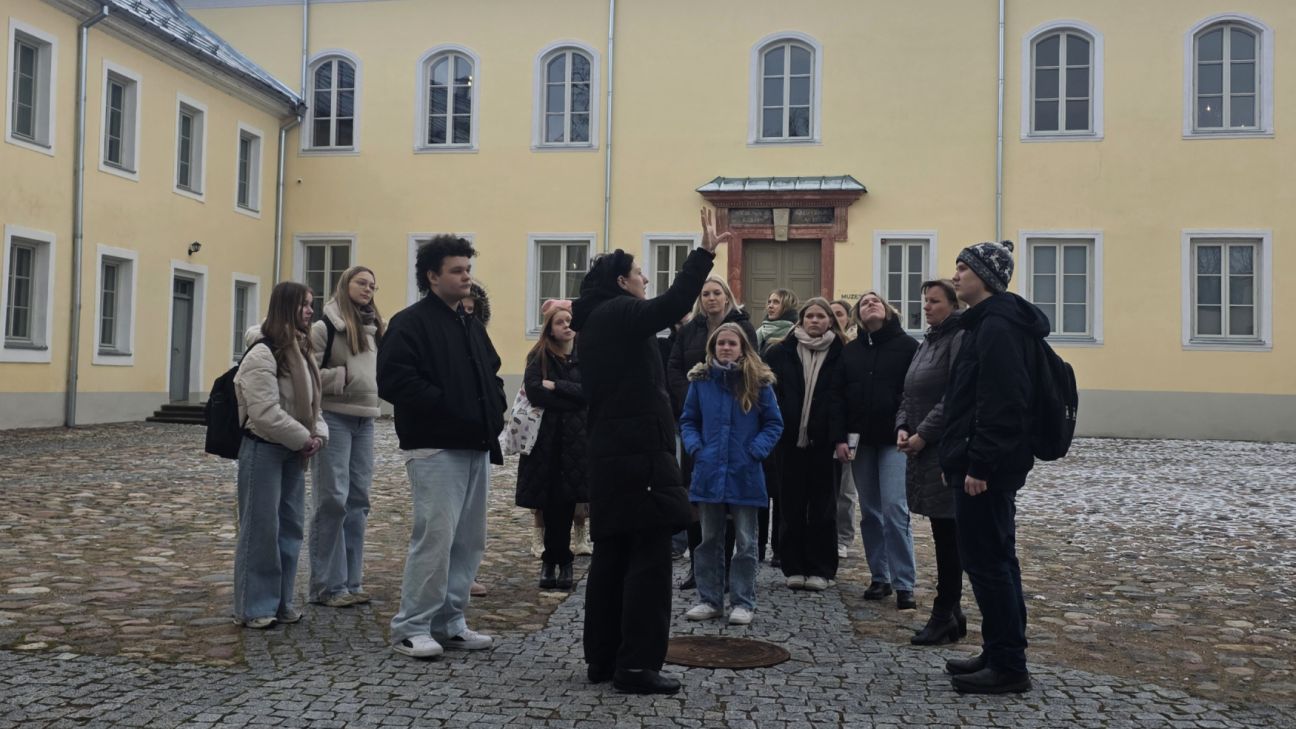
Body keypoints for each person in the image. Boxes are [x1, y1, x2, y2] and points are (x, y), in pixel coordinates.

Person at [571, 208, 729, 695]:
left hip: (615, 452)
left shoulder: (597, 318)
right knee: (649, 562)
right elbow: (671, 305)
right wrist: (702, 255)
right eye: (640, 274)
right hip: (636, 455)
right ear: (622, 282)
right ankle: (637, 665)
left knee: (613, 558)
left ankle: (603, 659)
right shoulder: (618, 311)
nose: (645, 280)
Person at [377, 235, 507, 659]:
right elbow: (395, 381)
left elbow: (491, 368)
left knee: (469, 541)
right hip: (434, 447)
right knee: (434, 537)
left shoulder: (466, 322)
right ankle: (412, 626)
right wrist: (449, 407)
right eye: (457, 270)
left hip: (474, 444)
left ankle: (451, 621)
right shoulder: (410, 322)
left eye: (468, 269)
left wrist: (494, 406)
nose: (466, 276)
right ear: (432, 276)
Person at [939, 240, 1046, 694]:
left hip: (986, 469)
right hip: (984, 463)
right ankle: (999, 649)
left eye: (964, 268)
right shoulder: (987, 322)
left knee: (988, 563)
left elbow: (1002, 403)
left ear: (985, 276)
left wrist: (979, 464)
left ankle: (1008, 666)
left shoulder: (998, 326)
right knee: (995, 559)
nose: (956, 274)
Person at [232, 281, 328, 629]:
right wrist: (305, 438)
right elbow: (264, 412)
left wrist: (317, 435)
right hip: (264, 449)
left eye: (311, 304)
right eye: (304, 304)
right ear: (286, 307)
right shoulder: (263, 353)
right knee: (260, 530)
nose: (309, 311)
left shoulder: (301, 350)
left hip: (293, 451)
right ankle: (254, 606)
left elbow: (313, 403)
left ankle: (282, 601)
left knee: (290, 529)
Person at [680, 324, 782, 626]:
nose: (726, 348)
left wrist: (756, 451)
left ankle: (743, 601)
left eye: (731, 343)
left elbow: (773, 423)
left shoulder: (759, 382)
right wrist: (696, 448)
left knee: (746, 541)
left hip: (744, 471)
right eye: (721, 343)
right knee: (709, 539)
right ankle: (709, 599)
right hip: (709, 470)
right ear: (713, 347)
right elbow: (689, 420)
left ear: (742, 348)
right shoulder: (701, 382)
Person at [667, 275, 756, 589]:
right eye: (705, 293)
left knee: (730, 499)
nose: (711, 298)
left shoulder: (742, 329)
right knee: (696, 495)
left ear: (727, 297)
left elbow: (752, 370)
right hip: (696, 421)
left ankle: (729, 569)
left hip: (733, 423)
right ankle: (698, 567)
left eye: (717, 293)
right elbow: (674, 368)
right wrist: (692, 394)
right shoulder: (690, 330)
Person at [831, 292, 919, 610]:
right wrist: (840, 437)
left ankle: (904, 582)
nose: (870, 304)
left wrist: (909, 426)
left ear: (888, 310)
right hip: (860, 441)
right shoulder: (851, 351)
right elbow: (838, 397)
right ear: (857, 316)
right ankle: (879, 576)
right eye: (864, 303)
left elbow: (914, 393)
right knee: (870, 512)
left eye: (876, 301)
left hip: (895, 439)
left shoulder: (908, 347)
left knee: (895, 509)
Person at [308, 266, 384, 609]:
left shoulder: (373, 328)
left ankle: (352, 582)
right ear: (345, 284)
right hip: (335, 417)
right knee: (332, 500)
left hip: (365, 419)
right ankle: (327, 585)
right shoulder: (324, 327)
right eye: (361, 282)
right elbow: (305, 376)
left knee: (358, 502)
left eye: (372, 285)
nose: (368, 289)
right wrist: (342, 376)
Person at [897, 279, 967, 645]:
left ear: (953, 305)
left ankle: (945, 611)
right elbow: (909, 391)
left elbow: (954, 395)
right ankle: (951, 612)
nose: (926, 307)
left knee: (949, 534)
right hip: (922, 446)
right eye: (925, 301)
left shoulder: (958, 339)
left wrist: (923, 433)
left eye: (934, 301)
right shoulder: (929, 340)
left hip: (942, 449)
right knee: (943, 533)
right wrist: (903, 426)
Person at [763, 297, 844, 592]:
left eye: (821, 316)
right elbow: (768, 393)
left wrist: (841, 437)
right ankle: (793, 565)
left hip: (826, 442)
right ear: (800, 321)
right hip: (788, 441)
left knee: (824, 507)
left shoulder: (841, 353)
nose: (814, 321)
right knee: (791, 504)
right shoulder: (780, 352)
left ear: (830, 322)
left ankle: (821, 568)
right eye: (809, 316)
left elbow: (843, 398)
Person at [515, 304, 588, 591]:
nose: (566, 325)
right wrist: (567, 400)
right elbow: (533, 391)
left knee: (568, 501)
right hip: (545, 441)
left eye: (570, 320)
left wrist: (556, 387)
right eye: (560, 322)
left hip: (575, 441)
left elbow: (587, 393)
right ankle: (550, 560)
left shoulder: (583, 355)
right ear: (550, 327)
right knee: (548, 501)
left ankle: (564, 562)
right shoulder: (539, 355)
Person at [829, 298, 860, 559]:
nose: (834, 317)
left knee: (846, 488)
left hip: (849, 426)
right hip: (825, 425)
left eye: (839, 313)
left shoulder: (852, 348)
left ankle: (843, 537)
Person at [756, 288, 799, 355]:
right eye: (769, 302)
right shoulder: (760, 332)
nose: (770, 306)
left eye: (776, 302)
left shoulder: (795, 334)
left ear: (787, 307)